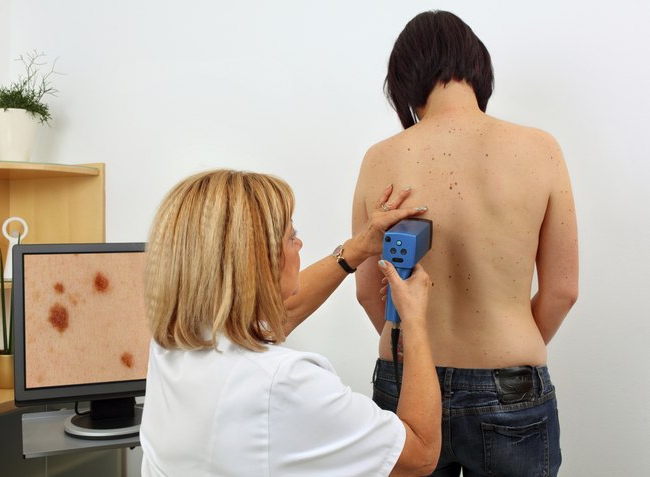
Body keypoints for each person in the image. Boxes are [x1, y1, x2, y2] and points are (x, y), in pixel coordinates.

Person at [353, 10, 578, 476]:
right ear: (478, 68)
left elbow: (364, 289)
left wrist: (409, 353)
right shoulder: (540, 149)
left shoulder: (380, 158)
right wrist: (509, 355)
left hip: (404, 380)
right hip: (510, 387)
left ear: (405, 80)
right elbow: (562, 290)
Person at [140, 169, 442, 476]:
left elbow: (279, 317)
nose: (299, 244)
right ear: (259, 261)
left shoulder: (170, 343)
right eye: (291, 236)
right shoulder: (284, 383)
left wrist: (357, 248)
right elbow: (419, 456)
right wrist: (414, 321)